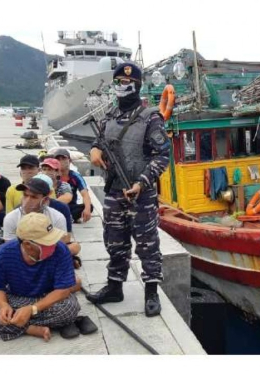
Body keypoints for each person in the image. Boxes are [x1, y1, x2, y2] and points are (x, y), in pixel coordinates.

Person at [86, 62, 170, 317]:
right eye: (119, 83)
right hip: (114, 191)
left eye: (128, 84)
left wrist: (141, 182)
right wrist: (93, 150)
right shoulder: (108, 117)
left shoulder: (150, 118)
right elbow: (98, 141)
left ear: (137, 86)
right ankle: (114, 287)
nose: (123, 87)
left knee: (147, 244)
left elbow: (162, 156)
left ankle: (152, 292)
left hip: (141, 194)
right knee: (114, 241)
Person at [0, 213, 80, 342]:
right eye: (47, 242)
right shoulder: (4, 253)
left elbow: (63, 290)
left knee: (69, 308)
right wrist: (3, 306)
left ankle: (5, 326)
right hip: (16, 298)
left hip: (46, 298)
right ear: (28, 245)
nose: (54, 245)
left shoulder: (61, 250)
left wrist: (32, 309)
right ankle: (29, 328)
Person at [53, 149, 93, 222]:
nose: (61, 161)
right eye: (58, 159)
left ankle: (66, 217)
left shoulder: (75, 176)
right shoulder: (52, 175)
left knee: (89, 206)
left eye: (63, 158)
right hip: (55, 204)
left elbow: (85, 194)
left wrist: (87, 209)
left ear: (70, 161)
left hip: (70, 206)